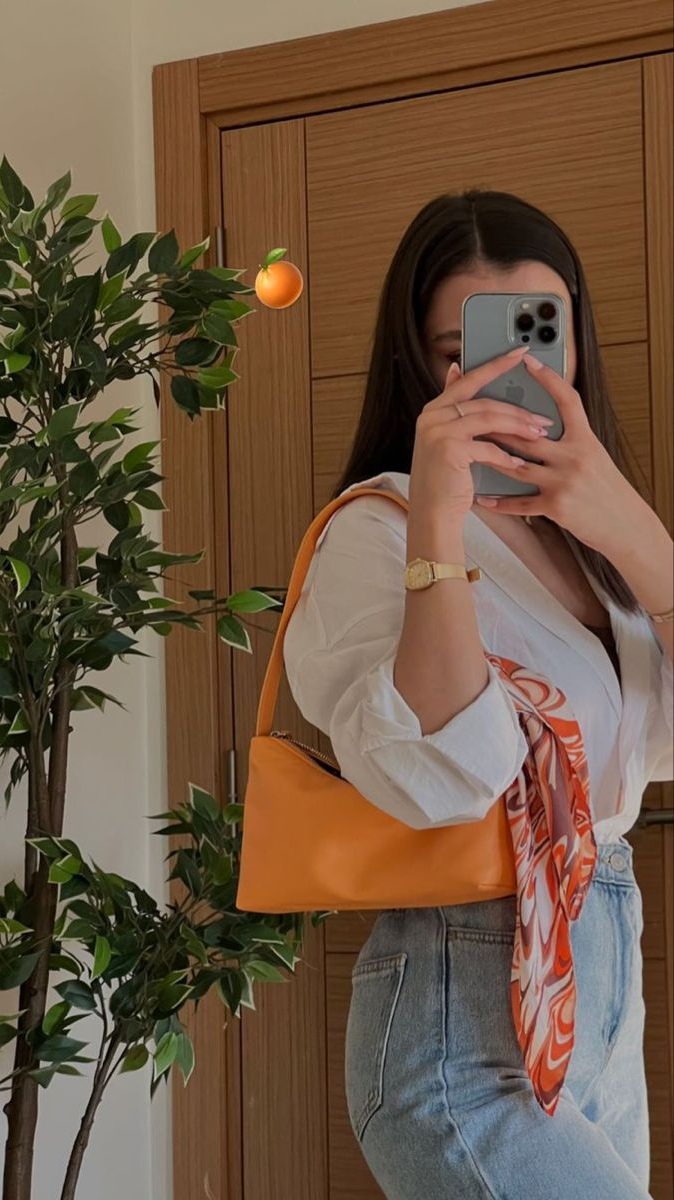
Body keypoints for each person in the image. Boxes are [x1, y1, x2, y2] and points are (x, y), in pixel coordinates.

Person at [282, 190, 673, 1199]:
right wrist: (440, 527)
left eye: (536, 343)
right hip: (461, 1031)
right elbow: (452, 776)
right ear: (420, 361)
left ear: (576, 341)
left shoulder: (600, 541)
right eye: (466, 348)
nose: (506, 377)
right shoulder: (375, 533)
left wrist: (636, 535)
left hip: (601, 992)